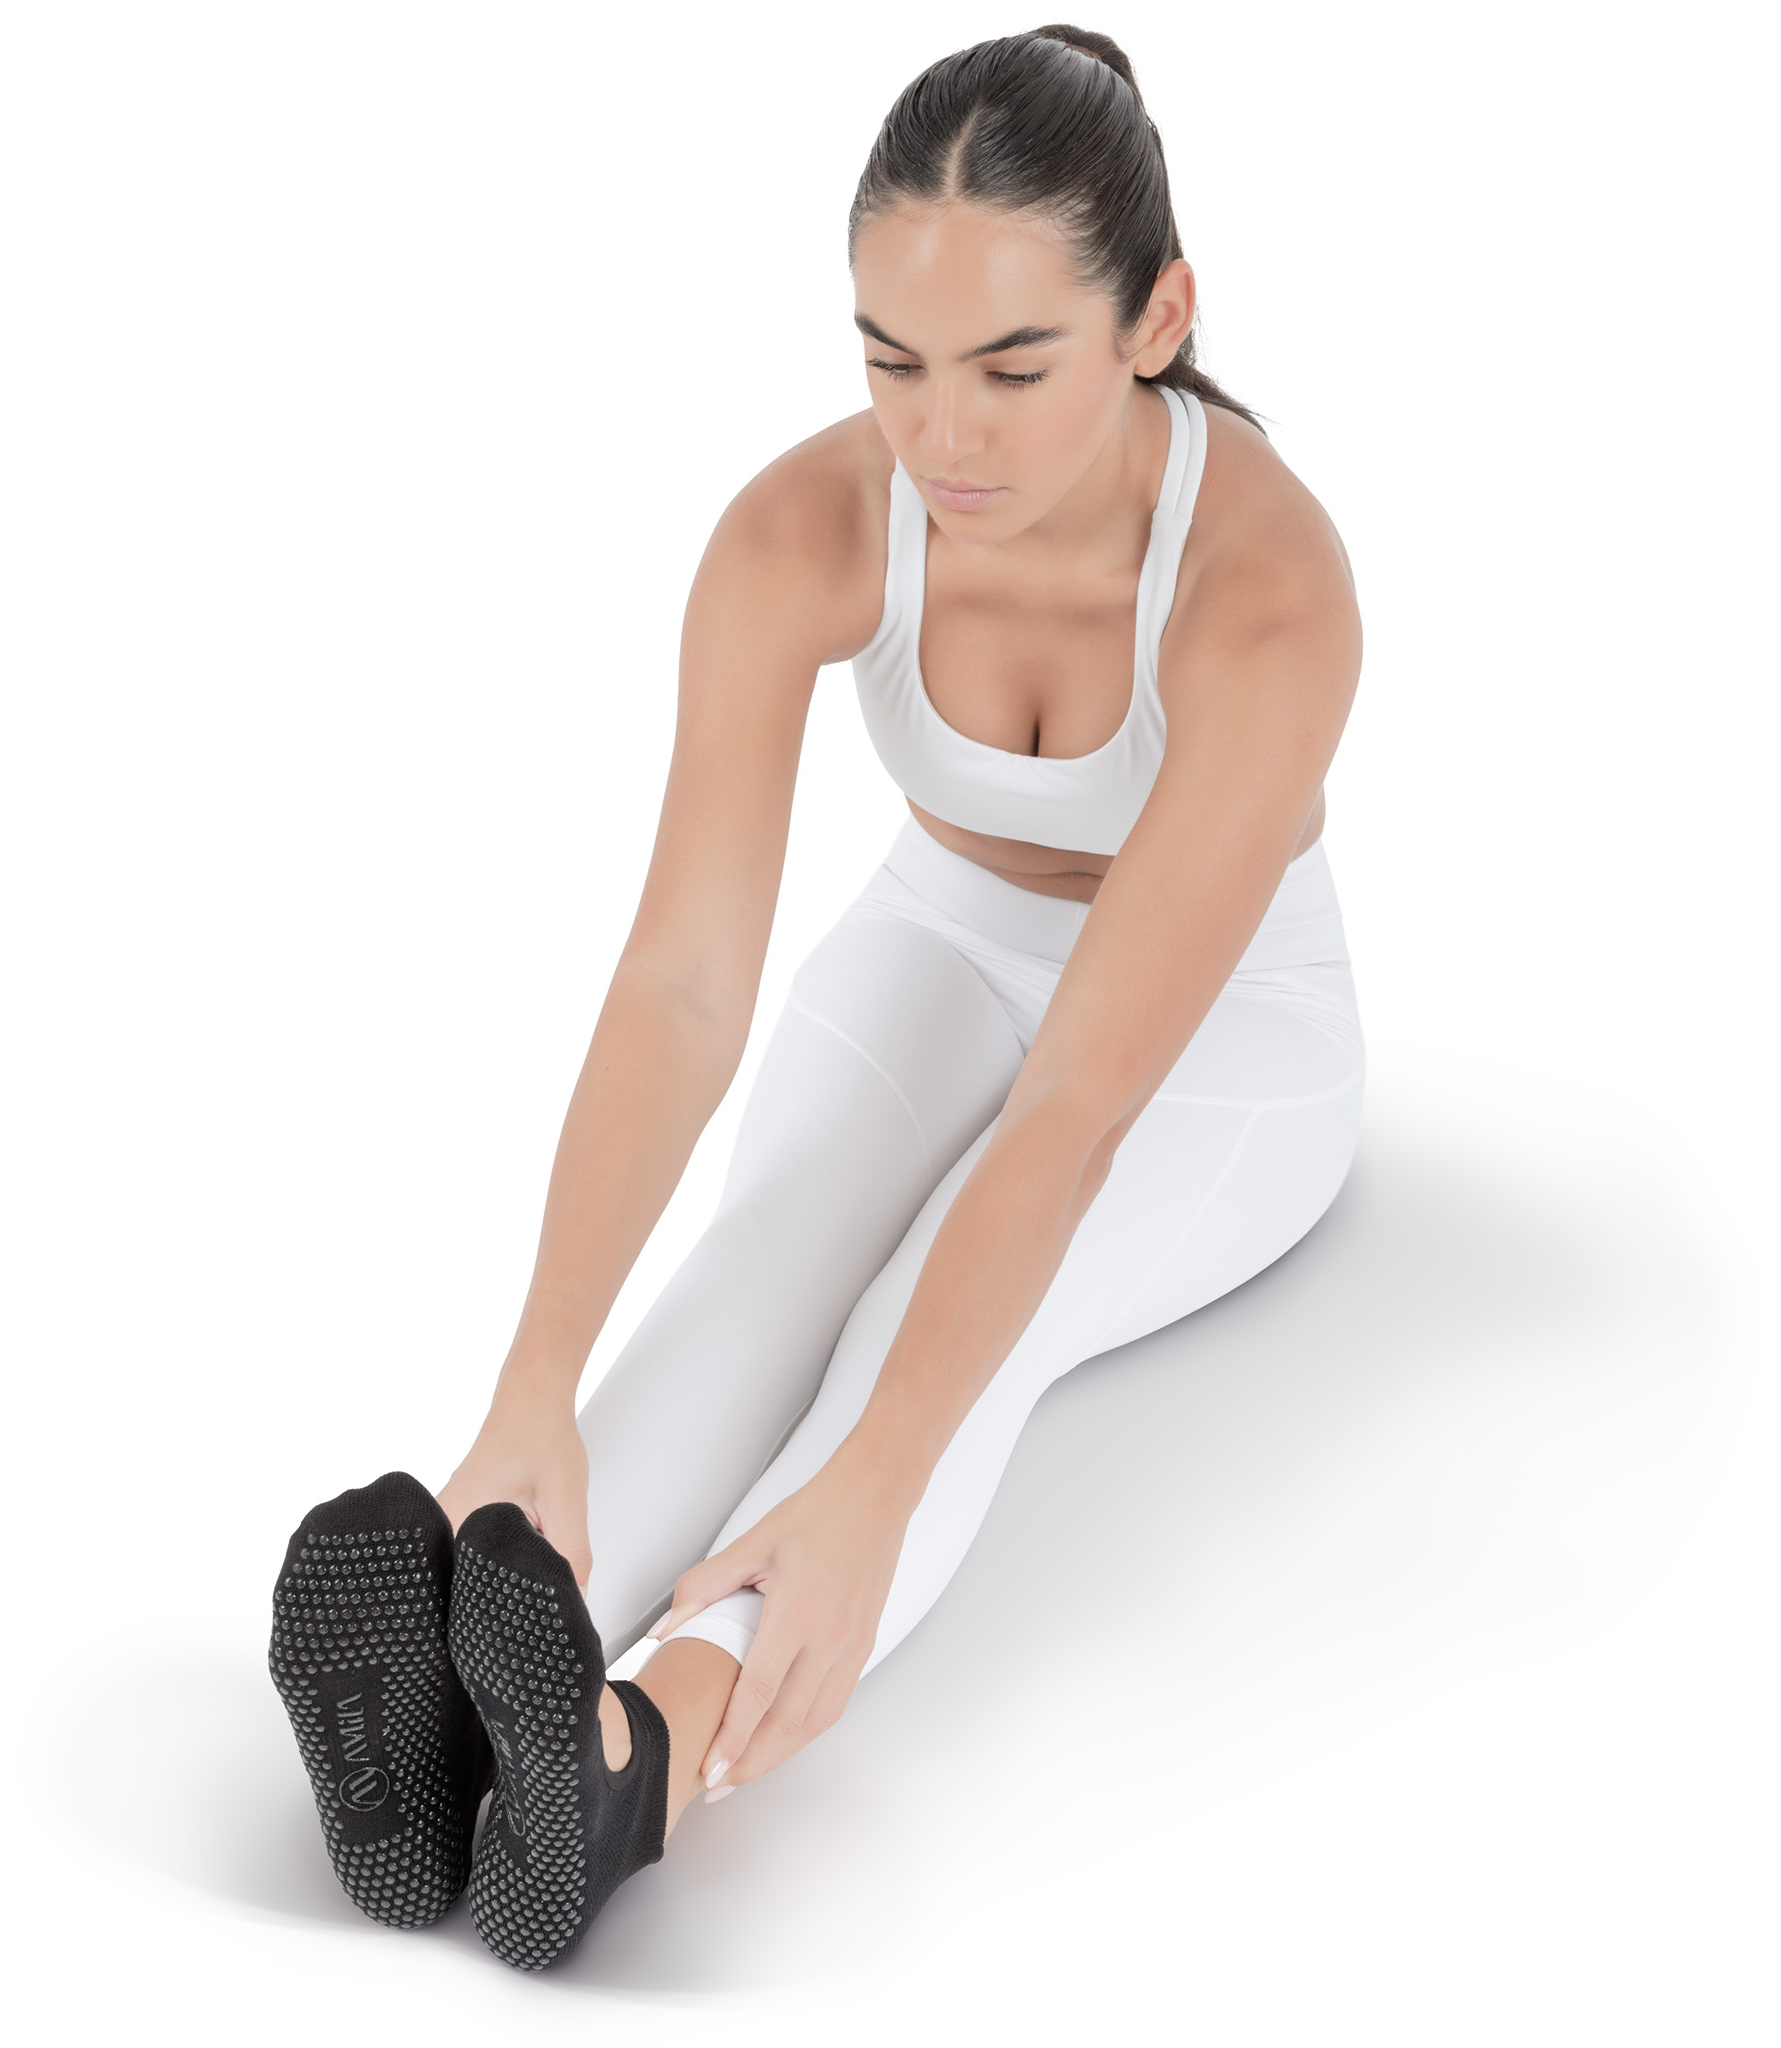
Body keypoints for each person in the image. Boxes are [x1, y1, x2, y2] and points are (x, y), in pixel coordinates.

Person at [268, 24, 1364, 1970]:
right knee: (762, 1258)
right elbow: (685, 978)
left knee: (936, 1358)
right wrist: (531, 1383)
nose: (944, 438)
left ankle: (635, 1756)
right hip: (941, 929)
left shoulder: (1268, 592)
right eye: (891, 360)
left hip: (1224, 1034)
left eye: (1012, 367)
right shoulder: (803, 529)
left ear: (1158, 317)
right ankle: (470, 1623)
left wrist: (871, 1487)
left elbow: (1073, 1108)